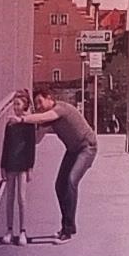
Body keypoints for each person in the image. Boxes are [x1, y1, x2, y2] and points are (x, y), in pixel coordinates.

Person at [45, 85, 99, 240]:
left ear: (49, 98)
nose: (39, 106)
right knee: (59, 185)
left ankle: (67, 230)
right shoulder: (49, 118)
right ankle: (68, 225)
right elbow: (36, 138)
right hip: (73, 150)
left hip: (87, 148)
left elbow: (42, 117)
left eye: (40, 102)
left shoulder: (60, 108)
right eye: (36, 104)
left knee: (71, 181)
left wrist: (23, 118)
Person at [0, 92, 44, 243]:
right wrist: (2, 165)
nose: (15, 107)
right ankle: (9, 230)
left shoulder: (29, 124)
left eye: (18, 104)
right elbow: (5, 145)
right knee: (9, 198)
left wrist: (30, 167)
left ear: (25, 105)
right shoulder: (10, 124)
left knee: (21, 199)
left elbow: (31, 147)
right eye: (14, 104)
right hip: (10, 164)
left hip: (22, 165)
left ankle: (23, 231)